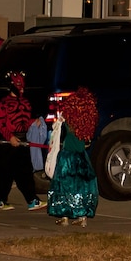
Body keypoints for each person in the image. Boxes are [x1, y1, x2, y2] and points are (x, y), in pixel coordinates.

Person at [0, 71, 46, 212]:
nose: (22, 89)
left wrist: (35, 122)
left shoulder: (25, 101)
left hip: (23, 141)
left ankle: (32, 200)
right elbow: (1, 123)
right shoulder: (4, 102)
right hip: (8, 142)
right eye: (19, 86)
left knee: (25, 171)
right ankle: (1, 200)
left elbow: (25, 121)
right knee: (5, 172)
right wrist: (9, 137)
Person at [48, 86, 99, 227]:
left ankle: (64, 216)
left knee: (64, 186)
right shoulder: (86, 126)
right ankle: (82, 216)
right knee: (81, 186)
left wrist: (60, 121)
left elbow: (57, 132)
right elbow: (86, 144)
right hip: (82, 158)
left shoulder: (67, 122)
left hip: (67, 157)